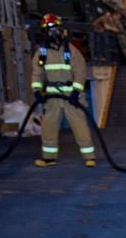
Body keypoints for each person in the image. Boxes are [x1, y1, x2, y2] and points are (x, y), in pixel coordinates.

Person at [31, 15, 96, 167]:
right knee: (49, 126)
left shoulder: (71, 51)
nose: (54, 33)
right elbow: (37, 73)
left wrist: (76, 91)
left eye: (56, 29)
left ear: (61, 30)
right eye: (50, 30)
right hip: (52, 96)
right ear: (45, 33)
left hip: (71, 95)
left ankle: (89, 157)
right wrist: (36, 90)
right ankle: (49, 157)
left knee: (79, 125)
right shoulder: (42, 53)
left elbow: (80, 72)